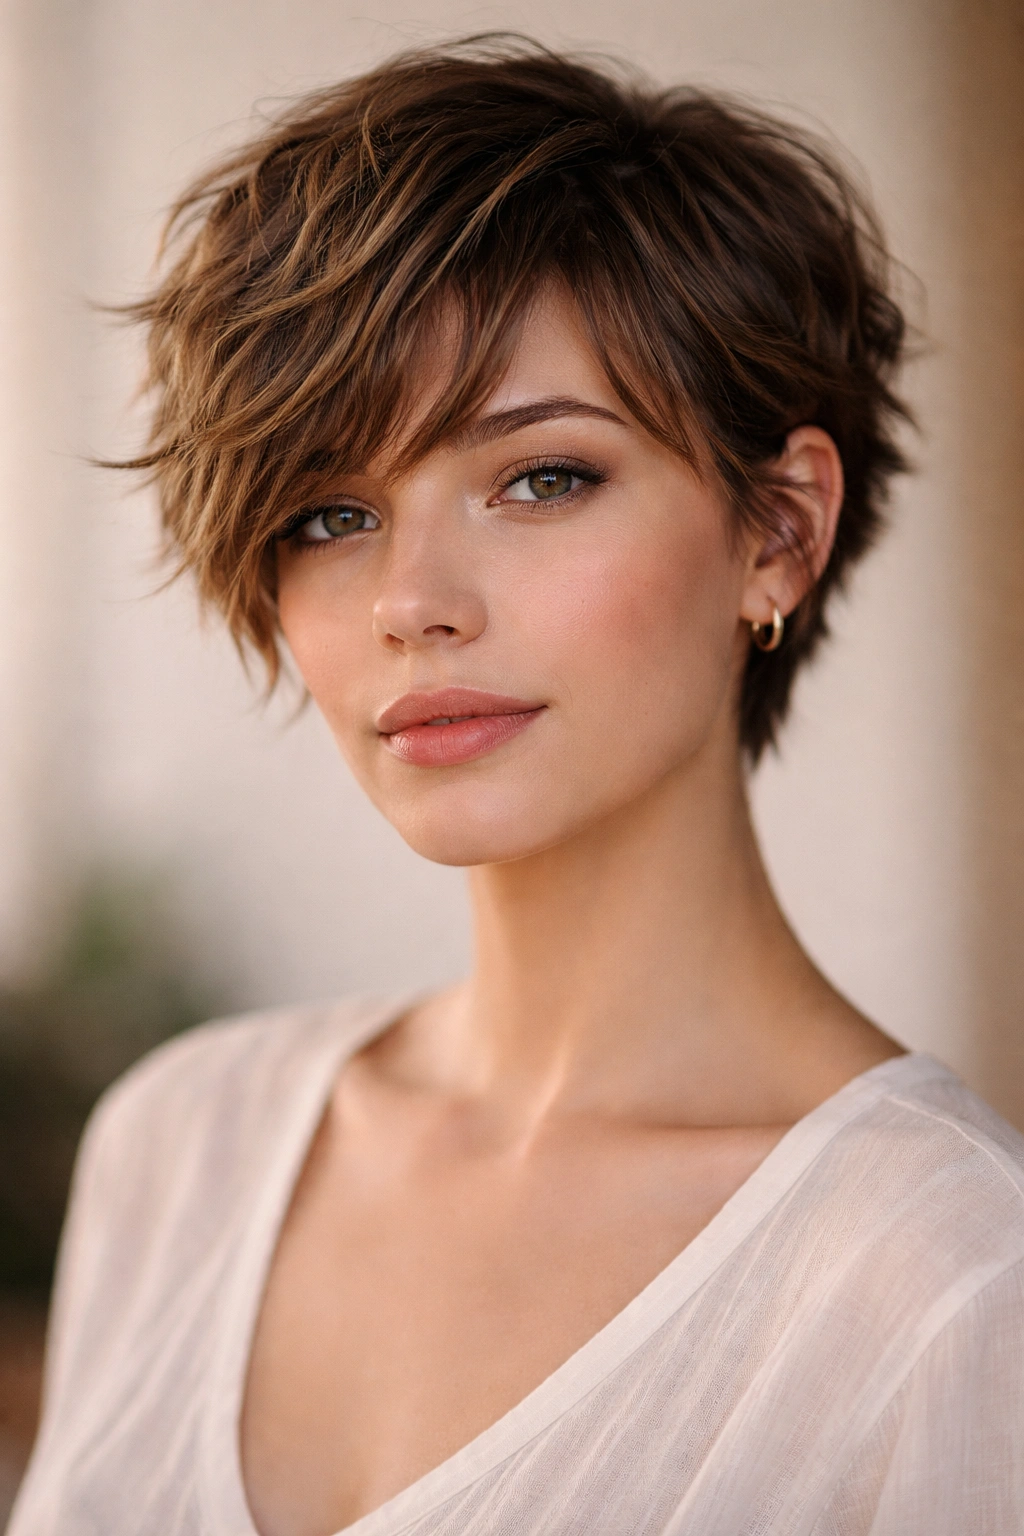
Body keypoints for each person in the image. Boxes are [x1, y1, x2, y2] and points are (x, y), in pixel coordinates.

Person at [10, 35, 1024, 1536]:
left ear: (780, 532)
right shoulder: (183, 1145)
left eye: (542, 477)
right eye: (332, 512)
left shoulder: (948, 1280)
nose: (411, 600)